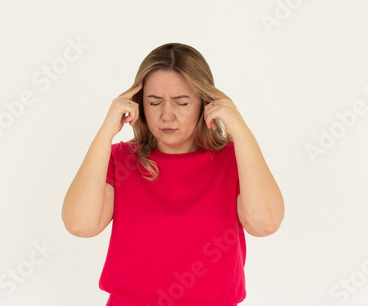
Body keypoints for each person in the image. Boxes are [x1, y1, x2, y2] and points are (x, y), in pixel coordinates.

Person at [61, 42, 284, 306]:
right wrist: (106, 131)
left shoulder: (234, 160)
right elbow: (80, 225)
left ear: (205, 103)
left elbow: (265, 224)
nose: (167, 116)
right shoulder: (120, 160)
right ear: (139, 105)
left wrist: (240, 130)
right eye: (154, 102)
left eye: (182, 102)